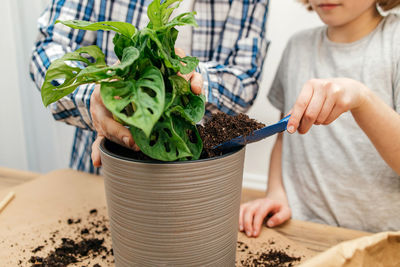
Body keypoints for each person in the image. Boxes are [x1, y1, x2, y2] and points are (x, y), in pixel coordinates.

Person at [30, 0, 270, 173]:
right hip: (103, 170)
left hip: (196, 175)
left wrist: (187, 78)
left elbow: (244, 80)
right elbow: (50, 50)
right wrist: (96, 96)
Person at [239, 0, 400, 235]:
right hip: (301, 227)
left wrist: (363, 99)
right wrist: (276, 193)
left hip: (378, 238)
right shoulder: (298, 47)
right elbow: (285, 136)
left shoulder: (395, 43)